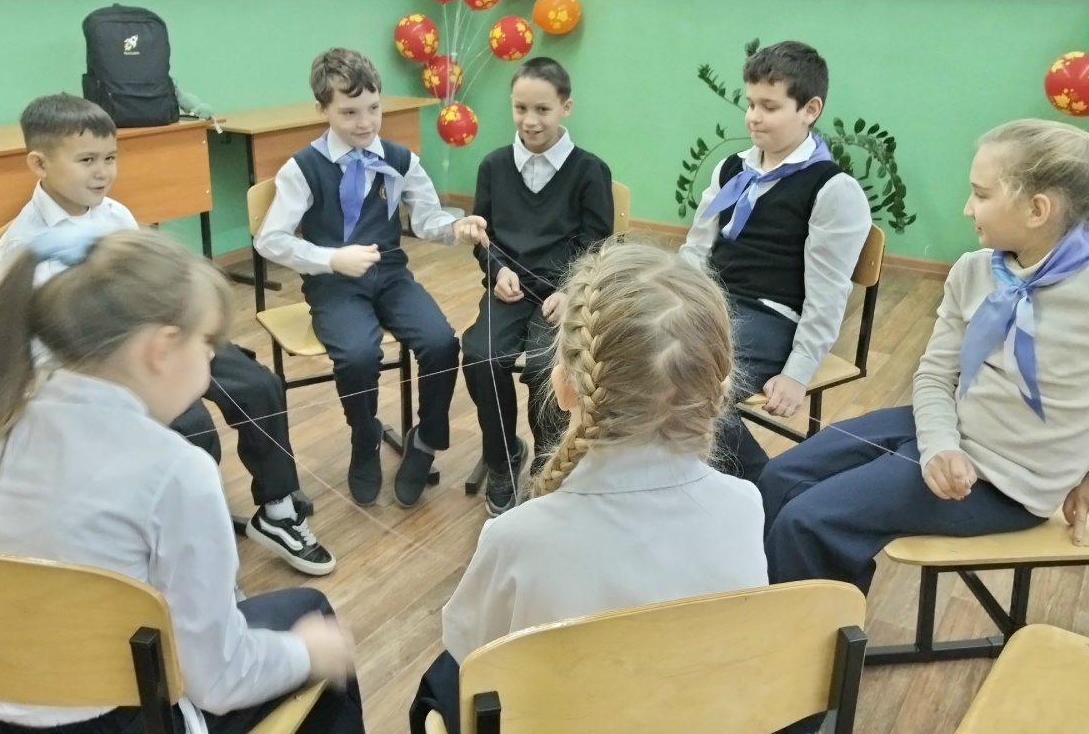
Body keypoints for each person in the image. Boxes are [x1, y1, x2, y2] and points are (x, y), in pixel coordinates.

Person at [759, 120, 1089, 591]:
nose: (967, 208)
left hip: (1007, 484)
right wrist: (940, 444)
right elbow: (936, 373)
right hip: (945, 431)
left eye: (981, 195)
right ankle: (778, 609)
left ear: (1037, 209)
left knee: (808, 522)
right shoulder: (973, 270)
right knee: (779, 476)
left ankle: (816, 632)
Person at [0, 228, 363, 734]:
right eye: (208, 344)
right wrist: (310, 651)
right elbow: (220, 681)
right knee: (311, 615)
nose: (211, 361)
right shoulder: (174, 471)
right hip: (120, 720)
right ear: (162, 348)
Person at [410, 241, 768, 734]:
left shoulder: (515, 537)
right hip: (695, 717)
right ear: (720, 393)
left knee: (442, 680)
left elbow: (471, 651)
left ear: (562, 388)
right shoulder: (746, 507)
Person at [0, 94, 333, 576]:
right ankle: (191, 538)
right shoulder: (24, 246)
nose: (103, 173)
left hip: (155, 339)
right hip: (97, 371)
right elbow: (46, 351)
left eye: (110, 158)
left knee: (259, 386)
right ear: (39, 163)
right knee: (193, 429)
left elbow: (148, 290)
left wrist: (185, 332)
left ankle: (277, 511)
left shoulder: (115, 214)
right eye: (87, 160)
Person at [255, 48, 487, 508]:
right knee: (358, 355)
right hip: (334, 282)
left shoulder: (400, 159)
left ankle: (426, 440)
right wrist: (330, 259)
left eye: (373, 108)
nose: (365, 122)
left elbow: (427, 221)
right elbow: (269, 240)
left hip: (390, 274)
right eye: (349, 112)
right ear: (321, 109)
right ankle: (364, 438)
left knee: (441, 341)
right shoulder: (303, 167)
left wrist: (456, 227)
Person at [679, 41, 872, 482]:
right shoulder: (731, 168)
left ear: (810, 109)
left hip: (772, 318)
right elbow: (695, 250)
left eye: (769, 106)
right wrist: (671, 303)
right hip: (712, 305)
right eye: (750, 104)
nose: (753, 116)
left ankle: (766, 489)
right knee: (641, 364)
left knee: (688, 391)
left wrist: (797, 373)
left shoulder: (832, 189)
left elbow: (827, 294)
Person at [460, 57, 613, 516]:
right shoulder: (493, 166)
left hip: (564, 296)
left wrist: (572, 292)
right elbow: (483, 237)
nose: (530, 120)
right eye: (520, 108)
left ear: (566, 108)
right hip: (508, 289)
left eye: (542, 109)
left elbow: (597, 245)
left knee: (548, 367)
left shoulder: (590, 170)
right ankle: (503, 457)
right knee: (480, 355)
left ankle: (551, 462)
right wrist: (495, 270)